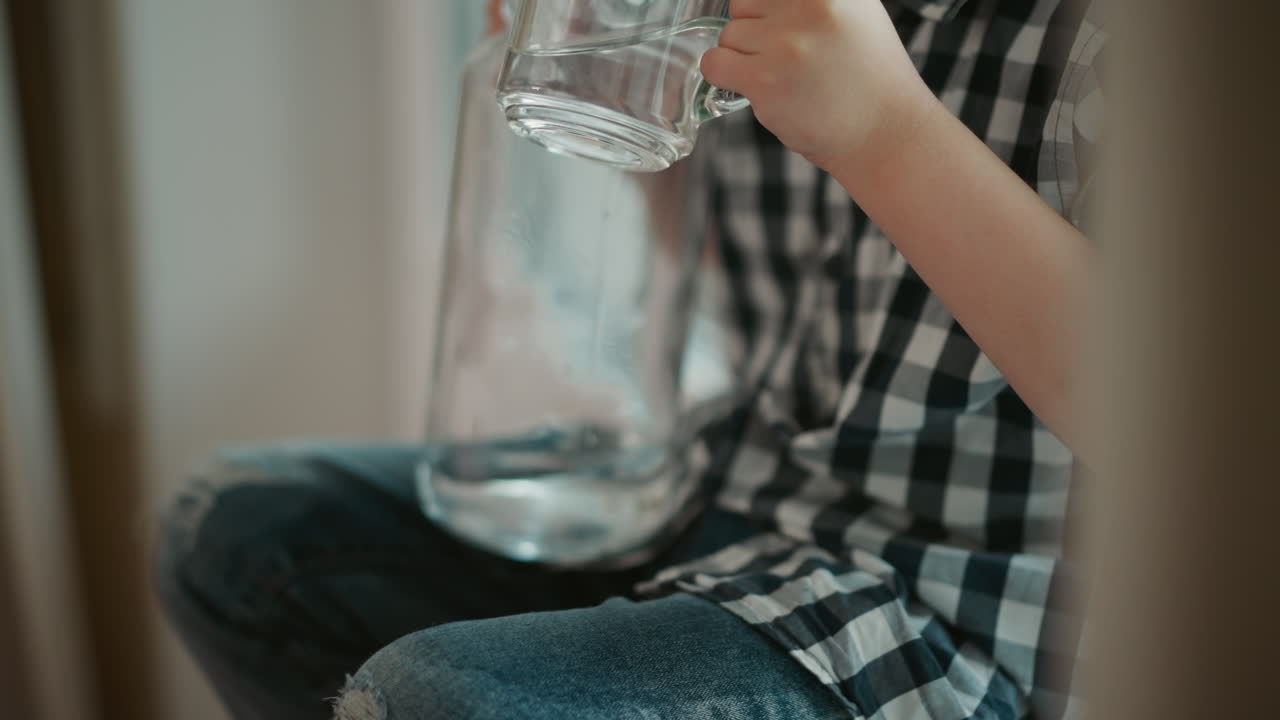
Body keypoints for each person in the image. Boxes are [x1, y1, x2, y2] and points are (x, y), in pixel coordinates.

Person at [153, 0, 1107, 717]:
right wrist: (617, 77)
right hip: (741, 505)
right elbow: (724, 284)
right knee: (236, 535)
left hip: (976, 622)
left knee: (437, 700)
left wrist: (886, 129)